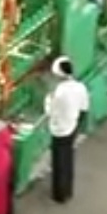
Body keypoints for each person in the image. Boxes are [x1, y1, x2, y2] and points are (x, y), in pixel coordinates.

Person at [45, 56, 89, 204]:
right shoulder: (80, 87)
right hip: (73, 125)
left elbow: (50, 111)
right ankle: (68, 190)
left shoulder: (59, 92)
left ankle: (59, 194)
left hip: (59, 129)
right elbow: (84, 108)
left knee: (58, 161)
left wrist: (48, 99)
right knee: (69, 157)